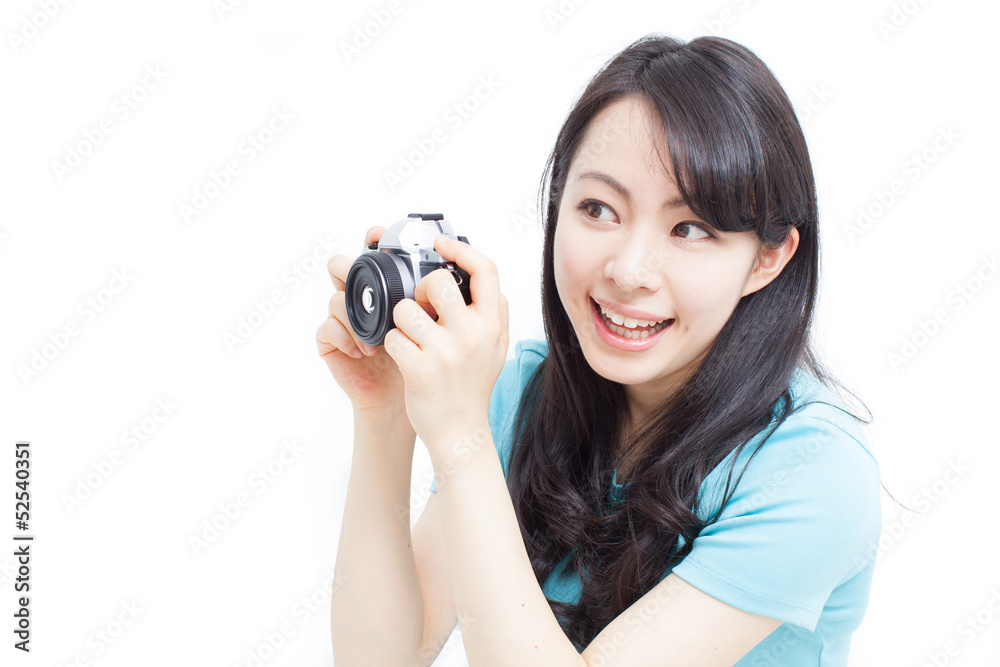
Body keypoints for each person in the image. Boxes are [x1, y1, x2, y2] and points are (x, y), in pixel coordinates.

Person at [319, 33, 882, 666]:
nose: (629, 270)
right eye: (598, 208)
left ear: (767, 259)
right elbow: (382, 659)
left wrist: (460, 437)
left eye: (690, 228)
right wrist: (385, 416)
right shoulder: (525, 392)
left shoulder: (811, 470)